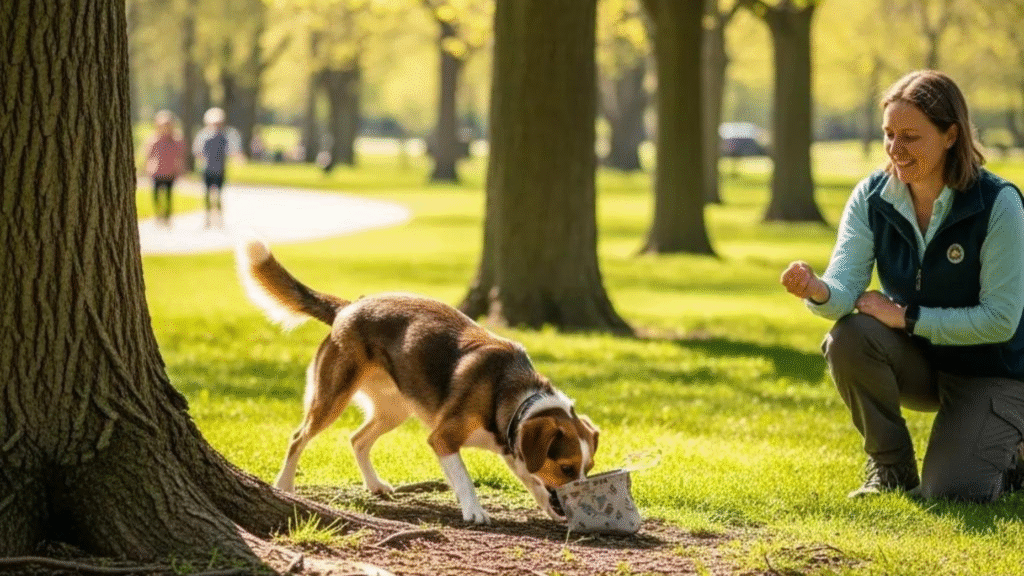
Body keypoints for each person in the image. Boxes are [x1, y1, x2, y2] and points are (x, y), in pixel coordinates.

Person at [780, 70, 1024, 502]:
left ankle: (1014, 451)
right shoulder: (873, 197)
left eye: (910, 136)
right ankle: (891, 469)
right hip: (923, 361)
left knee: (953, 493)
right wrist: (818, 289)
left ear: (951, 135)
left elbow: (1001, 322)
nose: (895, 149)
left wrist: (906, 317)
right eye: (888, 134)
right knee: (849, 337)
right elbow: (844, 285)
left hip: (993, 371)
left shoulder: (999, 204)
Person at [192, 107, 242, 228]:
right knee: (207, 195)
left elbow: (232, 150)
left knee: (219, 194)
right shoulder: (204, 136)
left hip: (220, 169)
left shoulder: (226, 136)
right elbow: (197, 150)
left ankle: (219, 218)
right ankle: (208, 217)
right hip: (207, 169)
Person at [142, 110, 186, 226]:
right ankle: (158, 215)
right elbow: (148, 156)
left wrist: (180, 171)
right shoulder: (154, 140)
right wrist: (146, 169)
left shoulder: (176, 140)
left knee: (168, 196)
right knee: (156, 195)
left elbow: (180, 157)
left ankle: (167, 217)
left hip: (170, 172)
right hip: (157, 172)